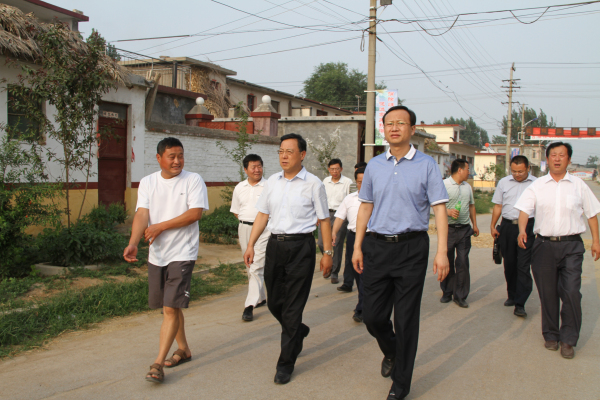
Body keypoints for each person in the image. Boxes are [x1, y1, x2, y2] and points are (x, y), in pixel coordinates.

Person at [352, 105, 450, 400]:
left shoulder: (427, 165)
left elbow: (439, 208)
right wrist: (357, 246)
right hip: (377, 246)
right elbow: (365, 206)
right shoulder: (374, 165)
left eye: (400, 123)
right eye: (389, 123)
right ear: (383, 129)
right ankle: (393, 351)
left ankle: (401, 384)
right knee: (372, 316)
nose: (394, 128)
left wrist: (442, 252)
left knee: (406, 319)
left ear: (412, 129)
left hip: (411, 248)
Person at [243, 133, 333, 385]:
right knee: (274, 303)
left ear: (302, 155)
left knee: (293, 308)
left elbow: (324, 220)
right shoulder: (272, 181)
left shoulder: (314, 184)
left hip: (301, 247)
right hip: (275, 246)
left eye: (289, 152)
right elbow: (262, 215)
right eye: (281, 151)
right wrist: (250, 244)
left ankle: (285, 363)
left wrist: (327, 253)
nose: (283, 156)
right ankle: (298, 331)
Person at [123, 137, 208, 383]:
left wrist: (161, 226)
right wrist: (133, 242)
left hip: (183, 252)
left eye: (180, 155)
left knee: (170, 307)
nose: (177, 161)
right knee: (169, 306)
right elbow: (142, 214)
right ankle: (184, 349)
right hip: (157, 254)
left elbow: (195, 213)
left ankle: (157, 364)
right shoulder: (148, 182)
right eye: (172, 156)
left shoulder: (193, 180)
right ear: (159, 158)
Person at [515, 142, 600, 359]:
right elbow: (524, 210)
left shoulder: (579, 185)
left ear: (569, 160)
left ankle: (569, 339)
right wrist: (522, 230)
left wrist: (596, 241)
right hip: (543, 246)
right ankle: (551, 335)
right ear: (547, 159)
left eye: (562, 155)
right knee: (548, 293)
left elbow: (591, 214)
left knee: (571, 292)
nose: (557, 159)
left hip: (572, 246)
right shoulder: (537, 185)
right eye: (553, 155)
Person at [490, 155, 536, 317]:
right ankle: (512, 294)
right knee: (509, 263)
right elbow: (498, 206)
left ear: (528, 168)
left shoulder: (537, 184)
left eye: (521, 171)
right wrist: (493, 225)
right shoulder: (503, 182)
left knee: (523, 265)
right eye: (514, 171)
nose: (517, 174)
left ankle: (520, 303)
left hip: (528, 227)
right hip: (508, 226)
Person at [230, 154, 269, 322]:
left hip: (264, 229)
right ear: (245, 169)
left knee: (256, 265)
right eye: (253, 167)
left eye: (259, 166)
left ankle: (249, 305)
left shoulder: (269, 186)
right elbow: (236, 210)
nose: (257, 170)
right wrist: (245, 221)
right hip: (244, 228)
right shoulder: (239, 187)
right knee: (249, 263)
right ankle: (260, 298)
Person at [440, 159, 479, 308]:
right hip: (448, 229)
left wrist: (475, 224)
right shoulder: (444, 185)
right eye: (468, 169)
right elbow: (435, 206)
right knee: (447, 261)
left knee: (462, 262)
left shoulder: (467, 187)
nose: (469, 172)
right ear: (460, 170)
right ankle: (447, 291)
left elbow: (471, 206)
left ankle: (460, 295)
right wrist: (448, 211)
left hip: (464, 229)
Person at [332, 167, 366, 322]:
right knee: (358, 273)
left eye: (365, 181)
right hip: (353, 237)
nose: (362, 185)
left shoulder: (379, 198)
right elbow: (340, 217)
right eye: (359, 182)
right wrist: (334, 232)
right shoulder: (350, 199)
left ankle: (362, 307)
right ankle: (363, 303)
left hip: (372, 238)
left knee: (368, 274)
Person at [318, 159, 352, 284]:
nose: (334, 171)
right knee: (321, 242)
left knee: (337, 244)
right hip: (325, 214)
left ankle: (334, 273)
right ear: (329, 170)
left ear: (341, 169)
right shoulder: (325, 181)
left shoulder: (347, 182)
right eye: (332, 169)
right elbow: (321, 198)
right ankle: (329, 261)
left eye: (337, 169)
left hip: (340, 216)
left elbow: (350, 200)